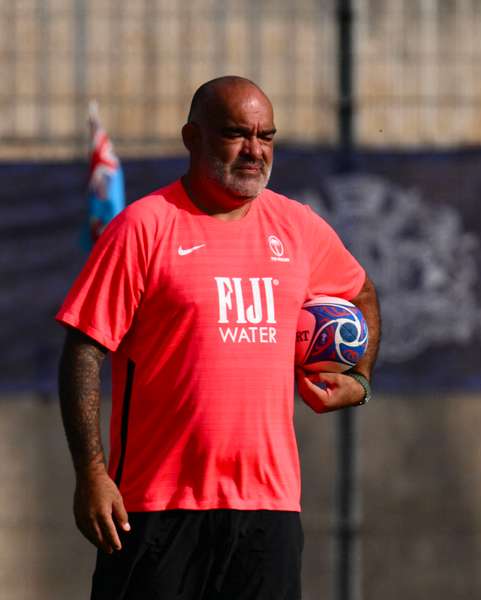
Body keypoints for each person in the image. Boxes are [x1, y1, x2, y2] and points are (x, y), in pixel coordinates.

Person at [56, 75, 380, 599]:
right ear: (193, 138)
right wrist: (91, 474)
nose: (255, 150)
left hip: (268, 511)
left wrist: (360, 379)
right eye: (236, 134)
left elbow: (361, 291)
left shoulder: (297, 227)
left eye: (266, 136)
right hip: (156, 509)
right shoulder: (144, 227)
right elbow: (84, 349)